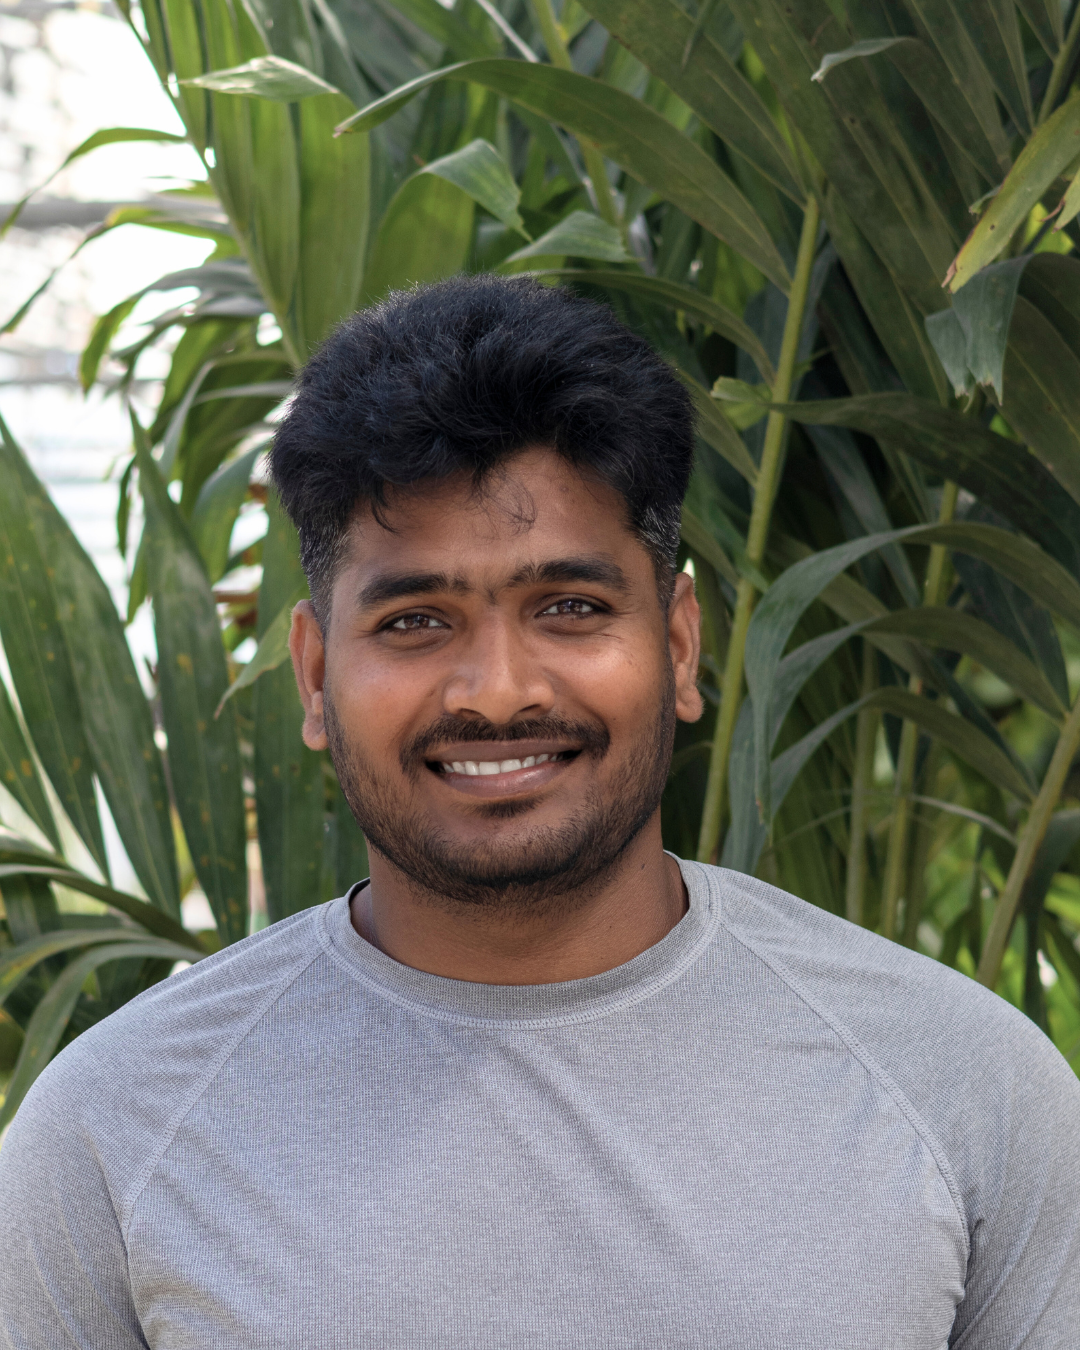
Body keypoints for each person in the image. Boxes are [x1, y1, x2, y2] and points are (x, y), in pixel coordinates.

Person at [1, 276, 1077, 1350]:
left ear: (682, 644)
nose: (498, 690)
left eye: (571, 609)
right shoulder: (115, 1133)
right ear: (316, 675)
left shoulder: (962, 1088)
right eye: (417, 619)